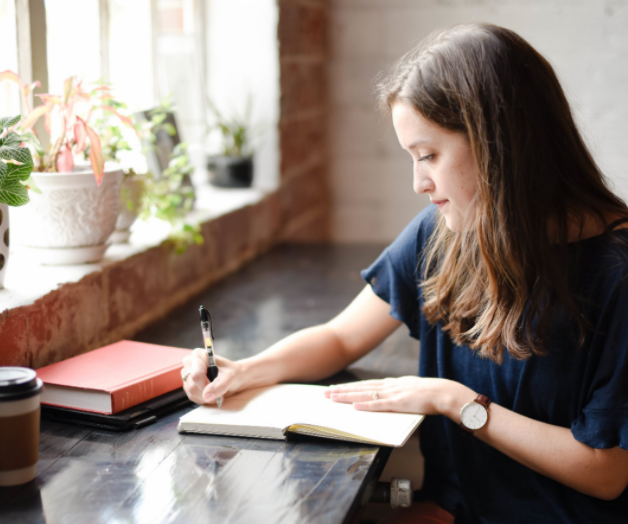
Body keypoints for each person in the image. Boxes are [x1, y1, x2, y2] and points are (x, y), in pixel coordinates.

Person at [181, 23, 628, 523]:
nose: (419, 183)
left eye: (430, 156)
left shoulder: (617, 274)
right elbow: (340, 338)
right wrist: (243, 372)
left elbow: (606, 471)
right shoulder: (443, 232)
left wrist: (456, 401)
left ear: (499, 144)